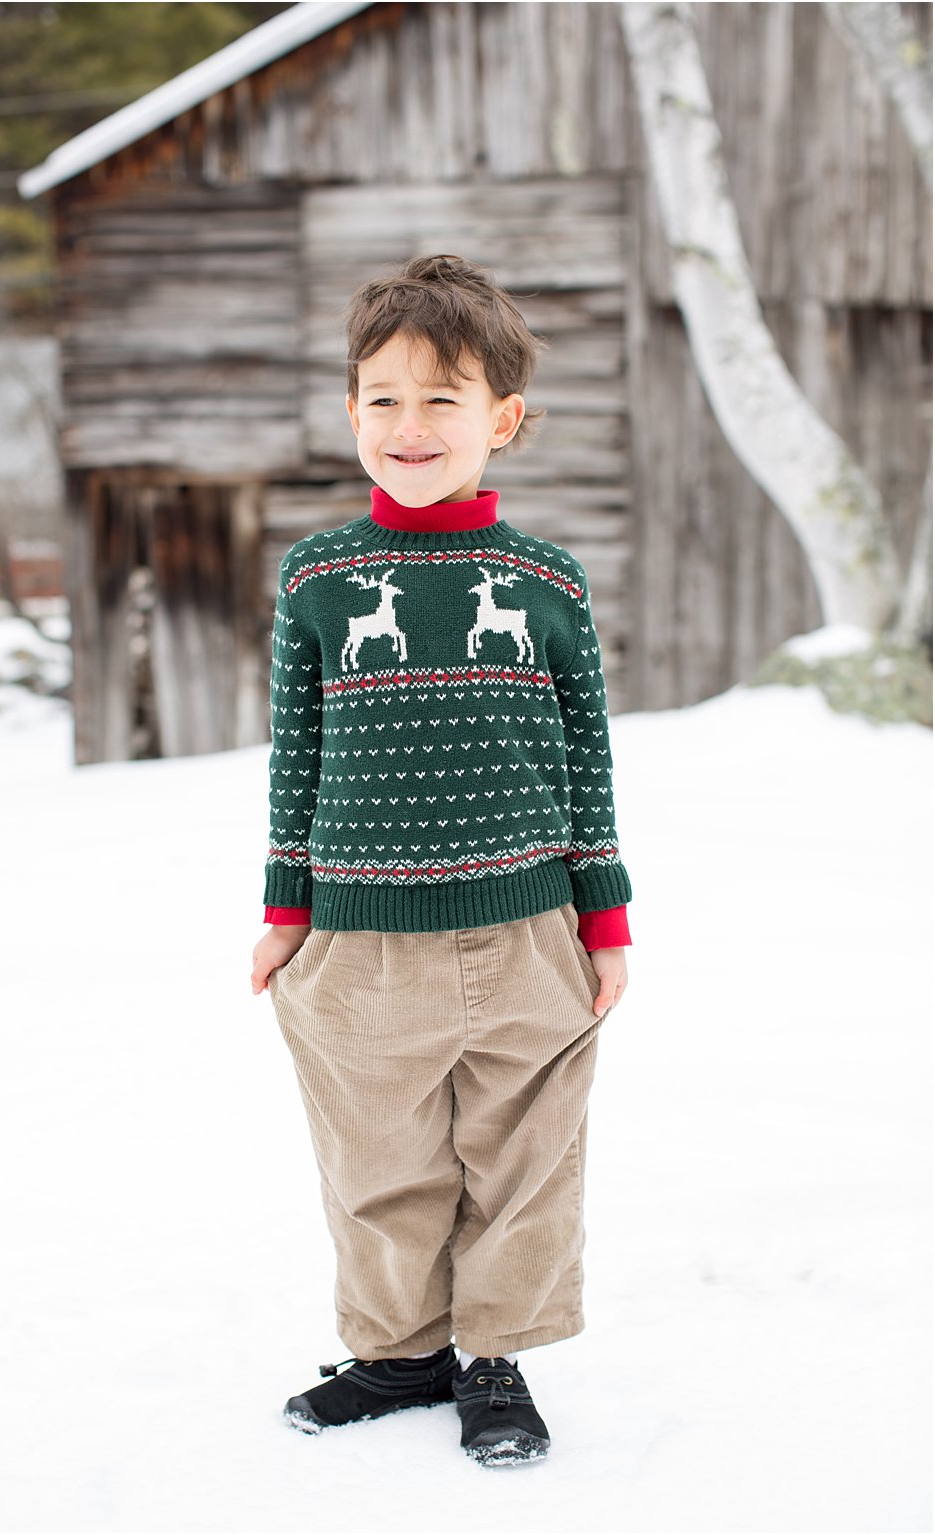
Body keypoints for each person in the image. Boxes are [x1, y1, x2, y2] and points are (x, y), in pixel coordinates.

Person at [248, 255, 632, 1467]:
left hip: (527, 927)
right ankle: (400, 1349)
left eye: (441, 398)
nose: (407, 425)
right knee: (376, 1157)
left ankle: (495, 1356)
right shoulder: (318, 578)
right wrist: (285, 907)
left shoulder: (544, 580)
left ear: (501, 419)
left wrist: (603, 916)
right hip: (358, 933)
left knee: (523, 1158)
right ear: (349, 410)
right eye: (382, 398)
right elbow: (295, 753)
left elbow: (585, 753)